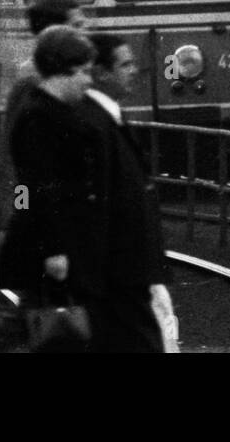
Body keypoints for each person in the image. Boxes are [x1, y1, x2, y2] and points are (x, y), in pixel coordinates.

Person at [0, 0, 86, 353]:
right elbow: (18, 159)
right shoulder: (36, 84)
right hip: (34, 222)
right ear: (56, 32)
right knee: (39, 317)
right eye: (78, 25)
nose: (87, 31)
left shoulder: (46, 81)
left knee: (36, 316)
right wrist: (6, 218)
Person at [0, 25, 102, 352]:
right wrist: (55, 249)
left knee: (40, 324)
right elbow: (39, 186)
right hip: (49, 248)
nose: (89, 80)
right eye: (83, 72)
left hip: (55, 244)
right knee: (41, 323)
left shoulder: (51, 112)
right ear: (61, 72)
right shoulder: (41, 117)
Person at [76, 33, 171, 353]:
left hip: (125, 270)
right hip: (117, 271)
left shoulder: (107, 117)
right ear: (101, 72)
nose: (134, 70)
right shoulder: (93, 123)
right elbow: (33, 186)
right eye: (125, 64)